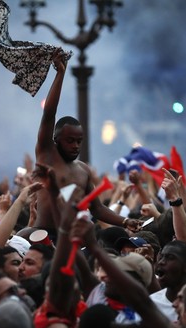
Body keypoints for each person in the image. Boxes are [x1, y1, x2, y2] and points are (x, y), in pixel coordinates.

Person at [33, 52, 139, 238]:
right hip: (41, 238)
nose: (75, 146)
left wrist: (125, 221)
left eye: (79, 141)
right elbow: (49, 114)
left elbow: (97, 209)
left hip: (71, 239)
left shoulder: (83, 171)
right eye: (70, 140)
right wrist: (60, 74)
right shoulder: (47, 154)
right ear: (56, 140)